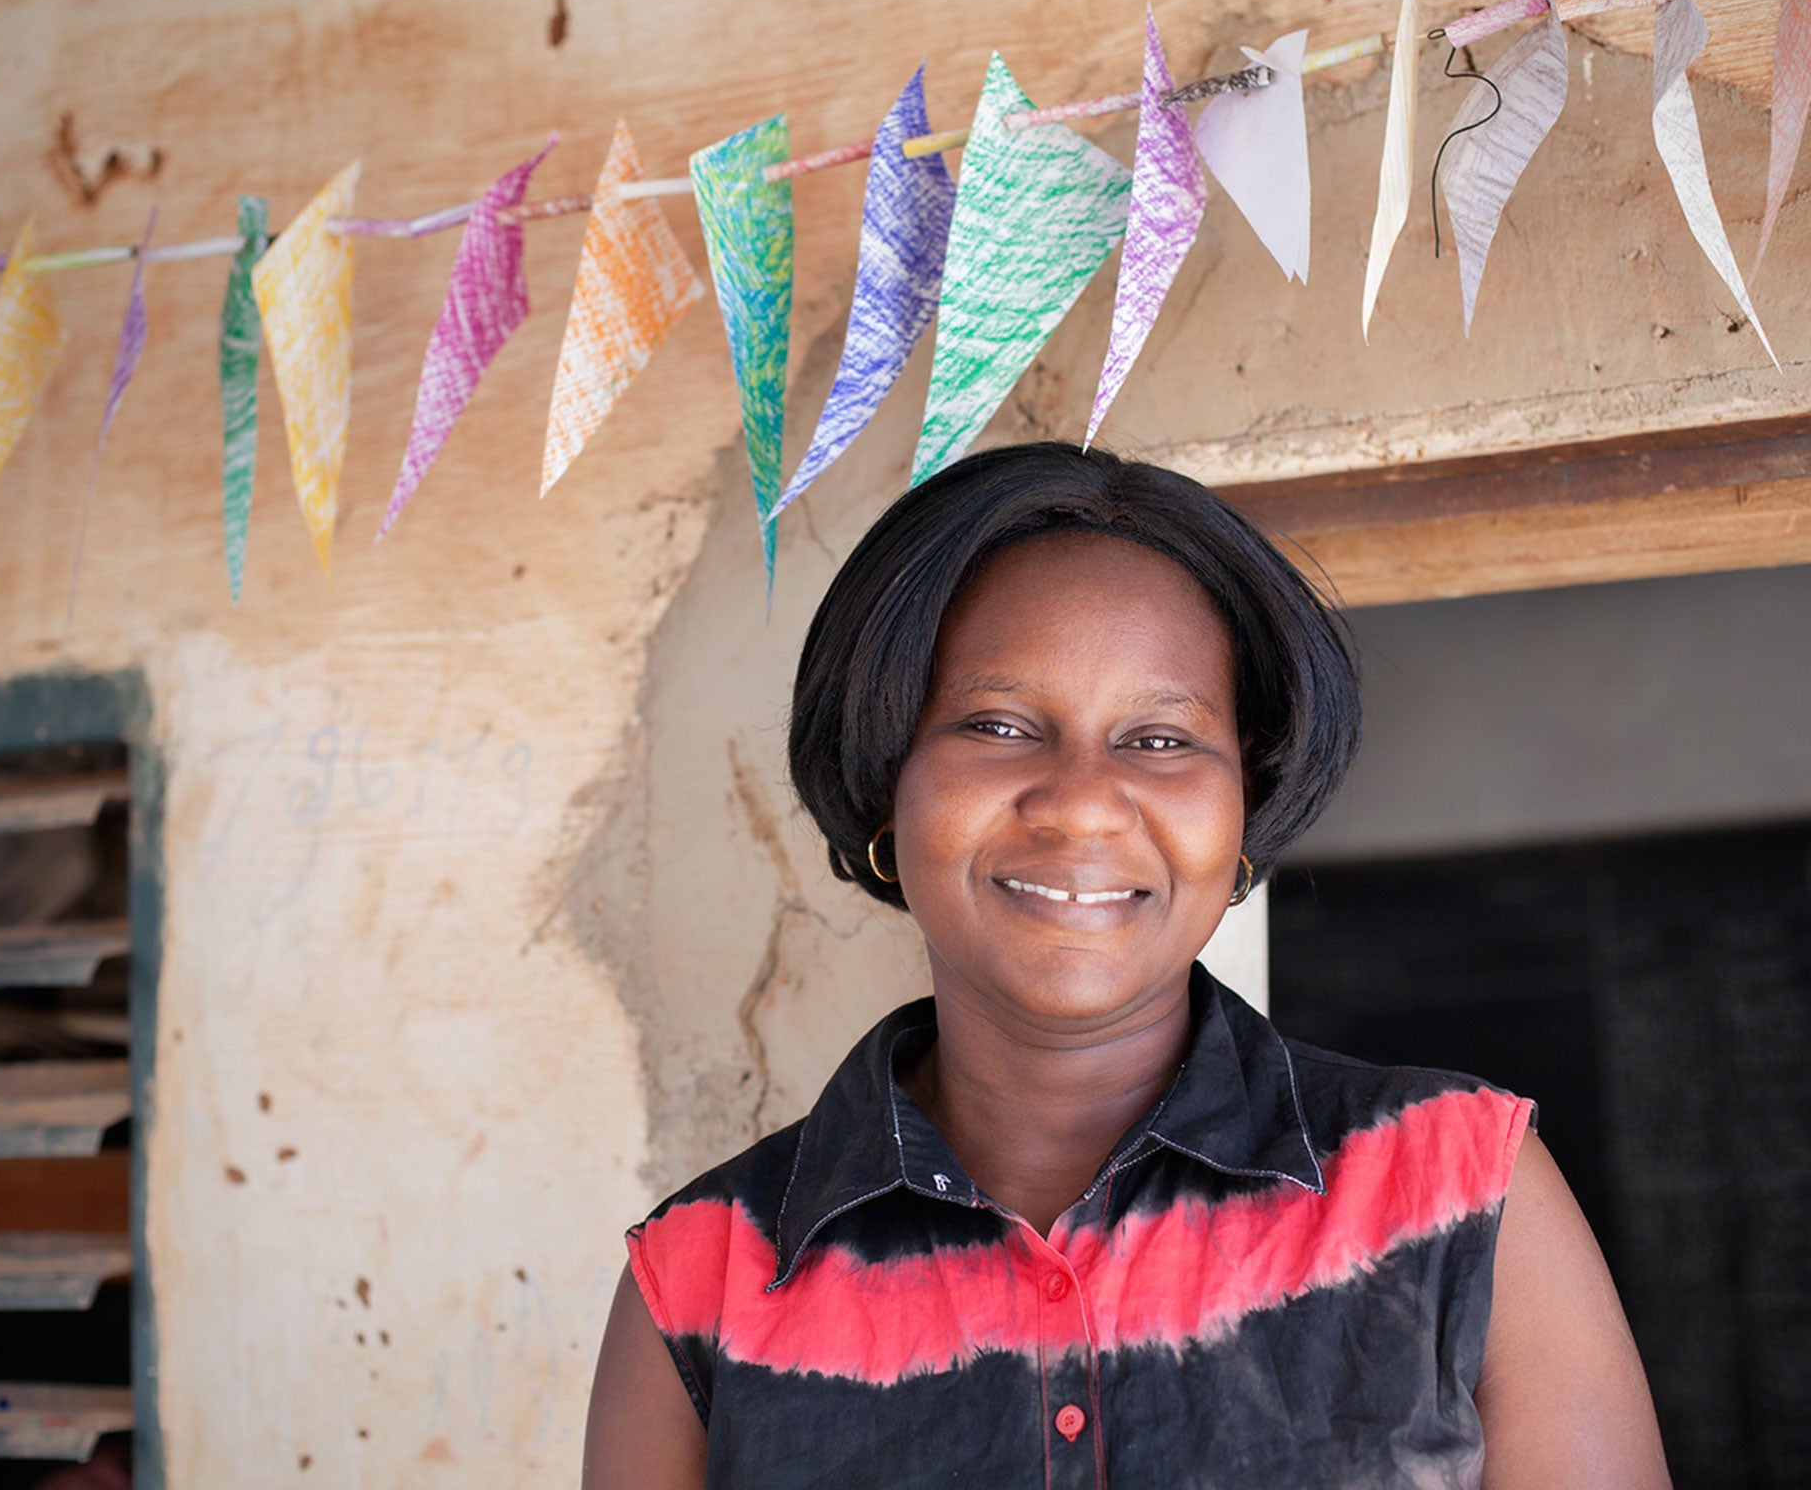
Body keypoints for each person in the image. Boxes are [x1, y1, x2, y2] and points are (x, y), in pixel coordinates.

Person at [583, 443, 1670, 1489]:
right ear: (885, 783)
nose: (1084, 801)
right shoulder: (704, 1283)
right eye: (998, 724)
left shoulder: (1460, 1196)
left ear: (1242, 808)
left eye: (1159, 740)